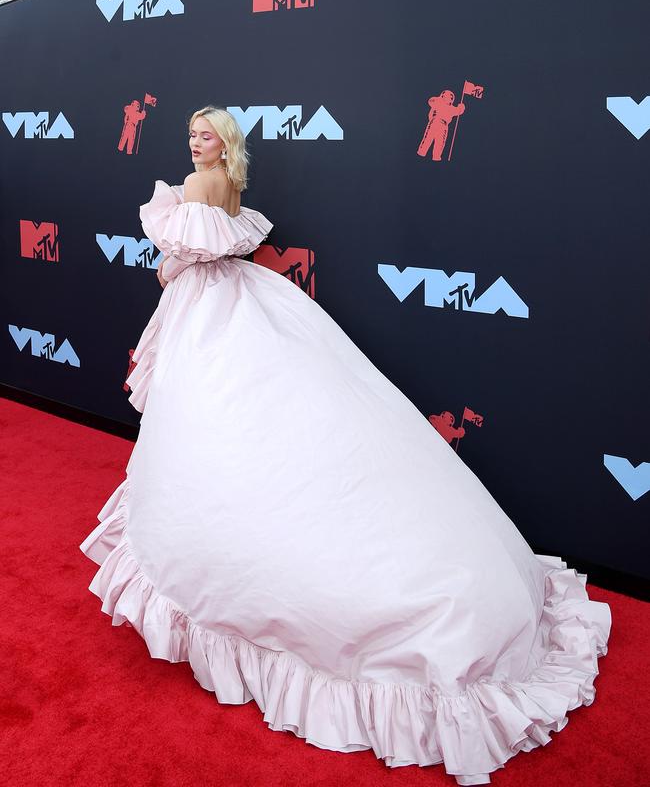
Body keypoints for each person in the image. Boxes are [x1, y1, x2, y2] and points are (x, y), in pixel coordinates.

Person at [81, 105, 611, 786]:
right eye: (191, 133)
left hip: (209, 309)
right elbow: (221, 244)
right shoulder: (231, 186)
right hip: (240, 303)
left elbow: (183, 258)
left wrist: (172, 262)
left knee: (224, 433)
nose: (195, 142)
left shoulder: (195, 184)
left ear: (223, 143)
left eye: (205, 134)